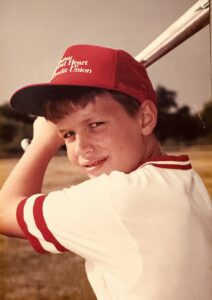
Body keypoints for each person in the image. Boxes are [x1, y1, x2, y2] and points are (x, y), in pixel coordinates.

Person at [0, 44, 211, 300]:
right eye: (67, 134)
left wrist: (43, 142)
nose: (82, 148)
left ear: (145, 118)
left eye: (96, 124)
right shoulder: (183, 179)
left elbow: (5, 211)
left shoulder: (120, 197)